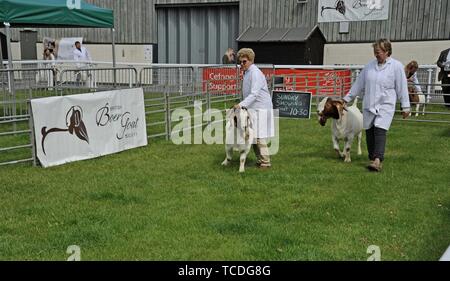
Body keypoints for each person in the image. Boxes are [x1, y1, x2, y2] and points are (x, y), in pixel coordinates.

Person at [342, 39, 410, 172]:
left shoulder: (396, 66)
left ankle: (378, 160)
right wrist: (346, 99)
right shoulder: (369, 67)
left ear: (387, 51)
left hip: (386, 104)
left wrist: (405, 106)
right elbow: (358, 84)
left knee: (380, 129)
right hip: (369, 103)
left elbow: (402, 87)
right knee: (369, 131)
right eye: (375, 52)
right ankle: (373, 158)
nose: (376, 54)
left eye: (378, 52)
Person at [233, 48, 274, 169]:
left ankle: (266, 162)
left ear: (251, 60)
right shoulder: (247, 73)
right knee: (254, 135)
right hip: (253, 108)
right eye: (240, 62)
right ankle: (261, 160)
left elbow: (254, 94)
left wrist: (241, 105)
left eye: (244, 61)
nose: (241, 64)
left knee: (259, 136)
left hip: (261, 108)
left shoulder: (255, 73)